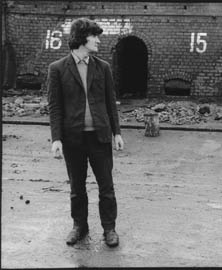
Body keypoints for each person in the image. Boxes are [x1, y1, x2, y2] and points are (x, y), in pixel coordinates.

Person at [47, 18, 124, 247]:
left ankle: (109, 229)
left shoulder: (103, 67)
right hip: (73, 139)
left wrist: (117, 133)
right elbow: (55, 106)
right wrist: (56, 138)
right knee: (76, 188)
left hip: (99, 137)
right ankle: (79, 226)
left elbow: (111, 102)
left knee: (106, 187)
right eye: (95, 36)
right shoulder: (58, 69)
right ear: (82, 38)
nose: (99, 40)